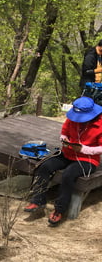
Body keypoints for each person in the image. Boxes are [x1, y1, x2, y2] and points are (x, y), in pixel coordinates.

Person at [23, 96, 102, 226]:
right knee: (44, 166)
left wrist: (84, 149)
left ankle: (59, 209)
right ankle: (38, 200)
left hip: (87, 159)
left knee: (68, 175)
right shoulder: (71, 119)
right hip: (68, 153)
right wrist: (64, 140)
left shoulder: (100, 124)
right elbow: (64, 132)